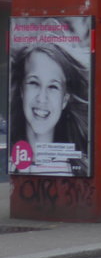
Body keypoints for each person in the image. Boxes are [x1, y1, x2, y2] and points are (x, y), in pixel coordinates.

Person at [8, 43, 90, 176]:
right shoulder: (7, 164)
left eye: (53, 87)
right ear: (22, 91)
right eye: (34, 83)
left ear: (64, 100)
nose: (42, 98)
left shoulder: (79, 172)